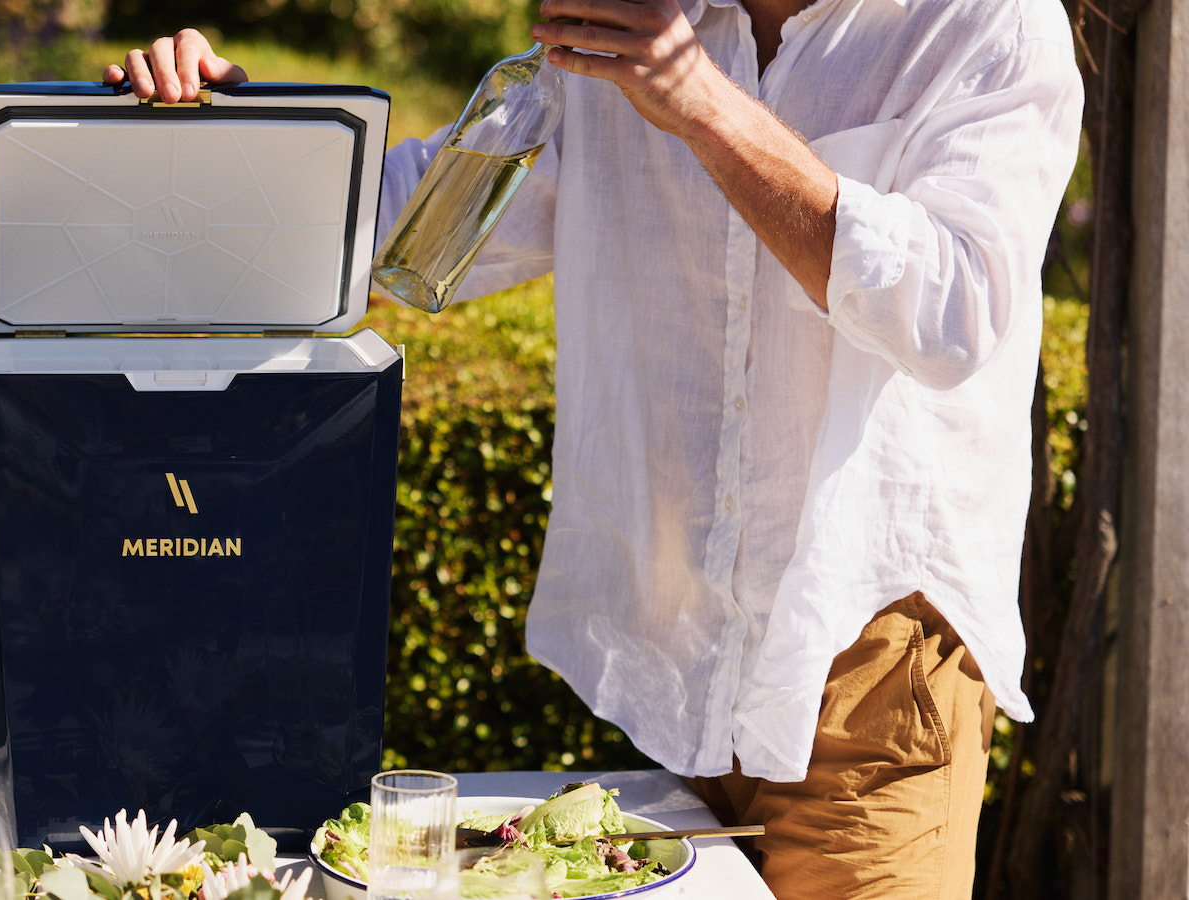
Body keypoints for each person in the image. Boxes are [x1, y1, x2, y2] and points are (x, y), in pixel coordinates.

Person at [109, 1, 1082, 896]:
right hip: (684, 671)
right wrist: (234, 136)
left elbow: (953, 316)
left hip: (874, 668)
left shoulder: (984, 23)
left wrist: (703, 104)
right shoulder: (636, 26)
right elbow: (409, 232)